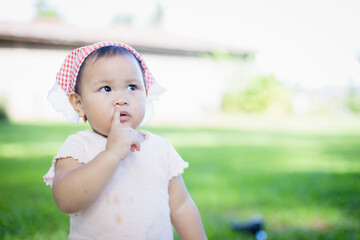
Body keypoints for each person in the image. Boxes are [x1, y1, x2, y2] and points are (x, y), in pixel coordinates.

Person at [43, 41, 207, 240]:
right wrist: (111, 154)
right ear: (79, 103)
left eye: (132, 87)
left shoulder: (160, 148)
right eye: (106, 89)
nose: (122, 98)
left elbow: (181, 206)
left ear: (146, 95)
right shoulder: (79, 146)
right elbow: (66, 200)